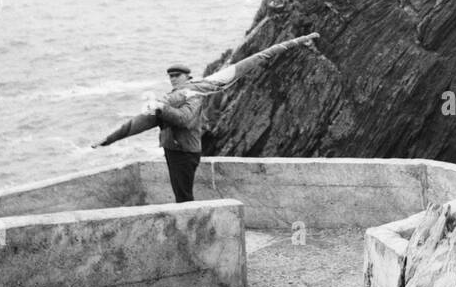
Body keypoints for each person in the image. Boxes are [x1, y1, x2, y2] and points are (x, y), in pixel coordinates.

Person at [94, 34, 319, 202]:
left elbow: (185, 120)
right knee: (180, 194)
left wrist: (300, 41)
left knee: (183, 196)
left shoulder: (194, 94)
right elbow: (137, 124)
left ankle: (191, 234)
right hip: (172, 151)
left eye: (177, 76)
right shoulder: (171, 97)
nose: (173, 79)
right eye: (171, 76)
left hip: (185, 153)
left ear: (187, 76)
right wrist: (108, 139)